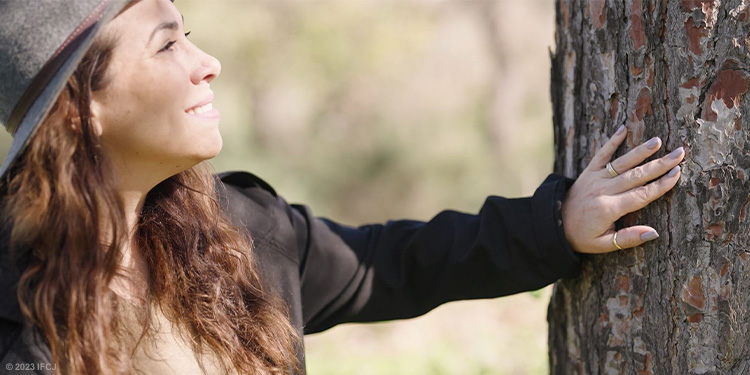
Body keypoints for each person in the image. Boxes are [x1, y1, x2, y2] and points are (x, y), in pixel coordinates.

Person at [0, 0, 685, 374]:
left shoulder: (238, 229)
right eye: (167, 44)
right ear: (83, 107)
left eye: (192, 36)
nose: (206, 63)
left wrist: (557, 224)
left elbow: (393, 263)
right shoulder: (19, 324)